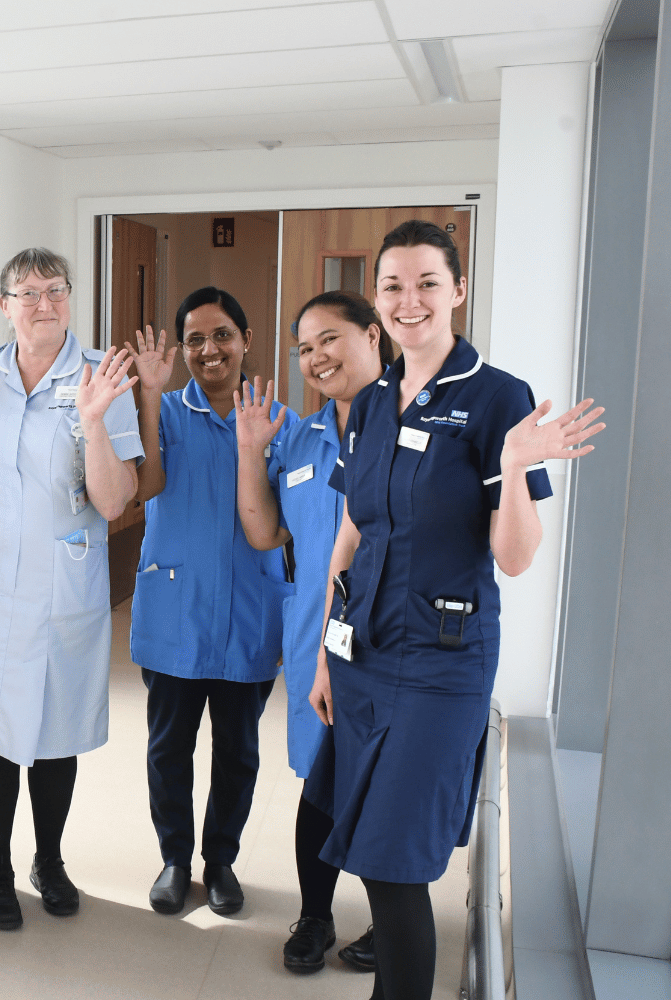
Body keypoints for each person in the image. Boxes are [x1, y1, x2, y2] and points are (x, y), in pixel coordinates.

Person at [307, 220, 605, 999]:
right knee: (367, 851)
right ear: (378, 300)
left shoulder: (497, 396)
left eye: (428, 283)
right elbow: (352, 533)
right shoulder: (371, 401)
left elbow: (514, 556)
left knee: (397, 861)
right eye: (395, 286)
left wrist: (511, 466)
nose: (411, 302)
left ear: (459, 291)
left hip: (442, 663)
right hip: (363, 653)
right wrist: (323, 653)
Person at [0, 247, 142, 931]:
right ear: (5, 306)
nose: (43, 303)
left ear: (70, 298)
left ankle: (48, 860)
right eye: (26, 293)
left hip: (64, 583)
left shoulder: (103, 377)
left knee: (55, 735)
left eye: (55, 289)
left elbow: (116, 501)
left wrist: (93, 420)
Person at [232, 290, 389, 973]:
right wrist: (249, 450)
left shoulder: (420, 428)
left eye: (331, 338)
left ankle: (394, 919)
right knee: (322, 781)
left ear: (374, 335)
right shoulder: (298, 438)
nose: (317, 356)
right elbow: (266, 531)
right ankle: (316, 915)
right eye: (305, 347)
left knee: (386, 784)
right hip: (314, 637)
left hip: (390, 638)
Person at [126, 286, 291, 920]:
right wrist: (146, 391)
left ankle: (220, 860)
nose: (209, 349)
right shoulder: (163, 412)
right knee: (168, 746)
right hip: (177, 610)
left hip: (251, 608)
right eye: (194, 338)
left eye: (222, 334)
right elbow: (145, 485)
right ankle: (174, 857)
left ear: (247, 341)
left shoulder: (279, 420)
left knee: (239, 749)